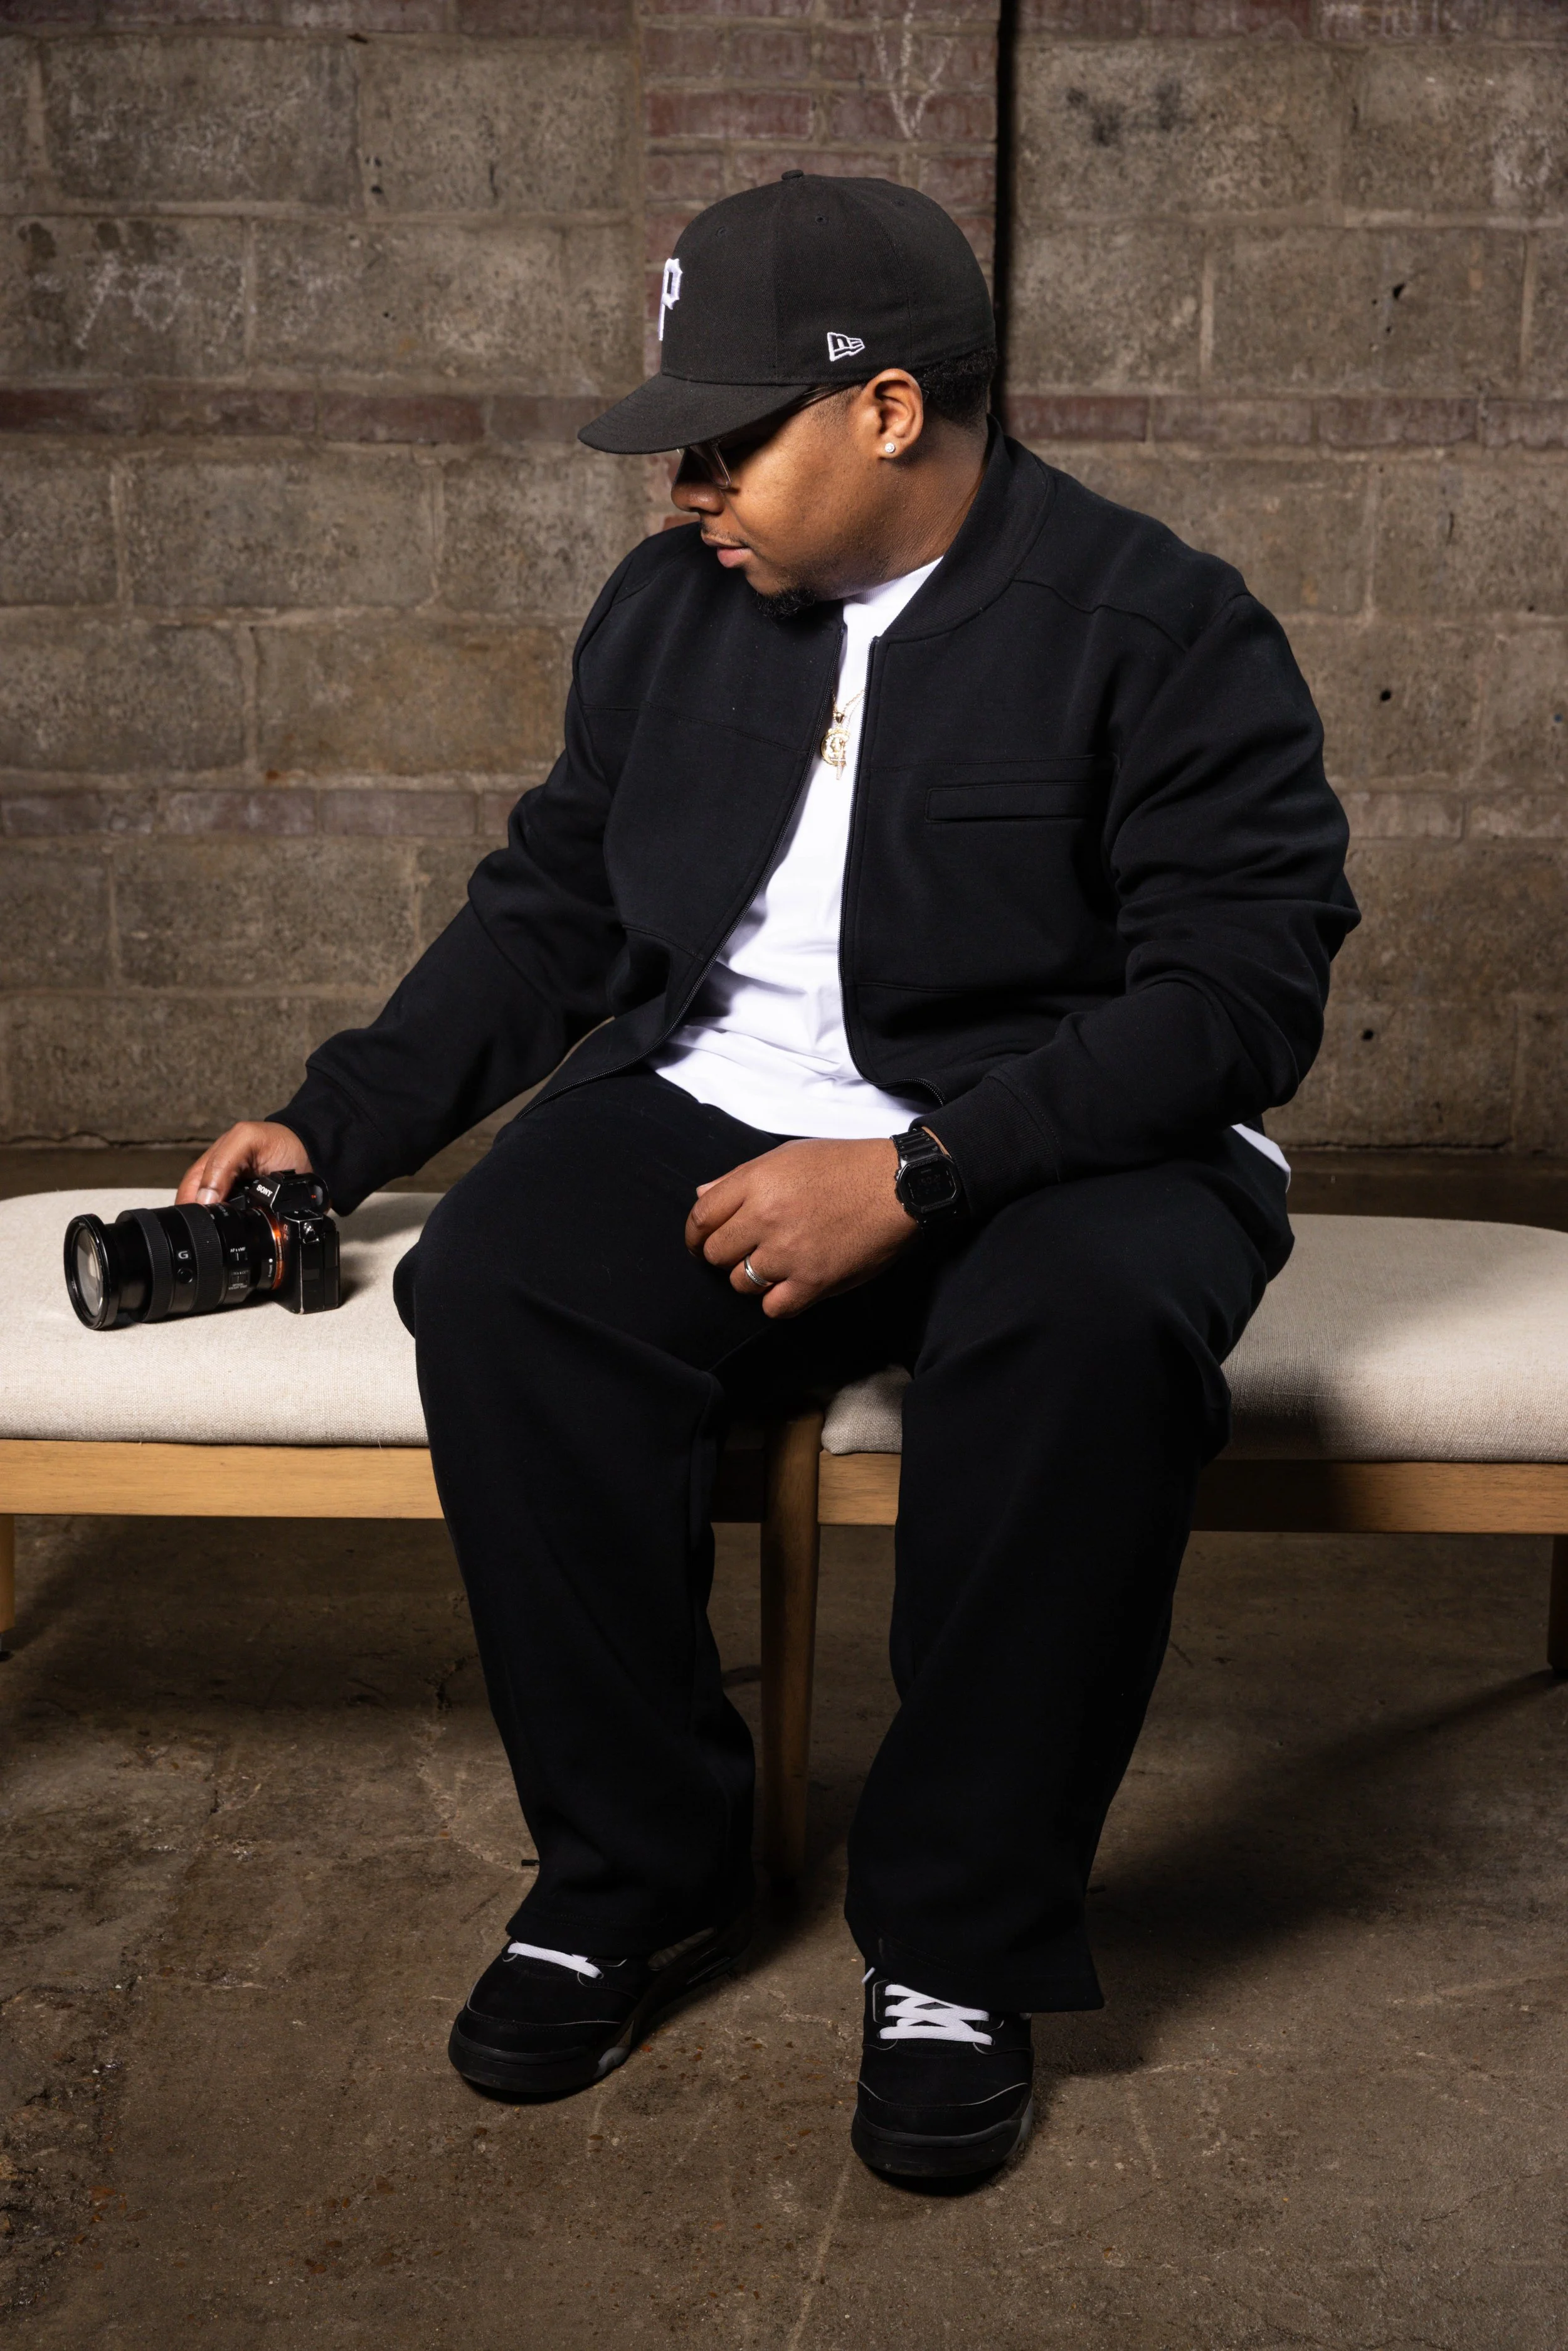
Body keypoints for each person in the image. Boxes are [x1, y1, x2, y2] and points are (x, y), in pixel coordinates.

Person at [178, 174, 1357, 2185]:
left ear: (887, 411)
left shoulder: (1156, 621)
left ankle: (959, 1944)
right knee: (501, 1283)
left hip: (1071, 1140)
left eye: (724, 444)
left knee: (1085, 1335)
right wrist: (339, 1120)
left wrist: (918, 1166)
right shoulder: (669, 610)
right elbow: (554, 903)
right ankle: (639, 1868)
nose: (684, 492)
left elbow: (1241, 993)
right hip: (722, 1102)